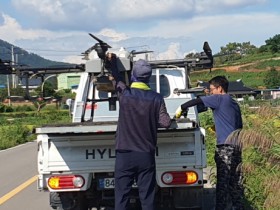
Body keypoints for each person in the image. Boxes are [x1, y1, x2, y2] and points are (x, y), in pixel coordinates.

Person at [107, 54, 171, 210]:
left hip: (124, 154)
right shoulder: (157, 98)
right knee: (147, 198)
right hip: (145, 155)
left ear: (133, 75)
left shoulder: (125, 94)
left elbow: (117, 80)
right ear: (148, 77)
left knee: (122, 197)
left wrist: (112, 63)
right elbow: (166, 122)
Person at [175, 75, 244, 210]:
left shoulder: (218, 98)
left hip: (225, 147)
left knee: (223, 184)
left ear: (219, 88)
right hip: (237, 146)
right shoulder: (233, 102)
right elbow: (239, 125)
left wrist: (181, 108)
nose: (211, 92)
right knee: (234, 183)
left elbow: (196, 101)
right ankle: (238, 207)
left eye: (212, 89)